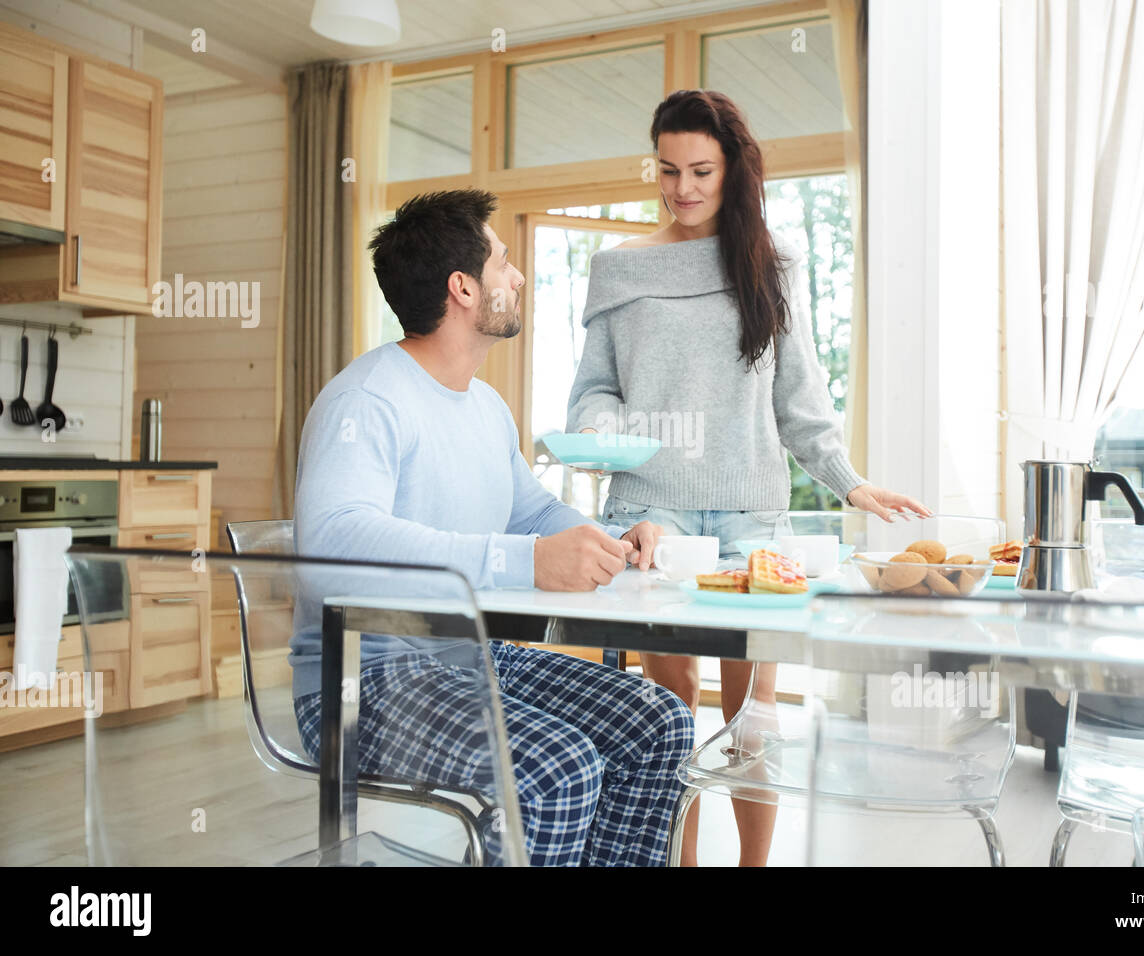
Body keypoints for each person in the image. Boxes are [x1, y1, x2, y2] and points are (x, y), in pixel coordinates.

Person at [567, 89, 930, 866]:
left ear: (733, 168)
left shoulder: (771, 263)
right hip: (650, 513)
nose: (683, 188)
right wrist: (600, 430)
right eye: (668, 171)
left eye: (701, 170)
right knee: (666, 721)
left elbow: (796, 396)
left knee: (753, 724)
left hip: (752, 519)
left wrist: (848, 481)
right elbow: (594, 388)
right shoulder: (618, 270)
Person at [289, 188, 694, 866]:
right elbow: (332, 544)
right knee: (559, 770)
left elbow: (529, 513)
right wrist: (522, 561)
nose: (518, 276)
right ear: (463, 288)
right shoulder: (366, 401)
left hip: (474, 655)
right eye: (503, 261)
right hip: (367, 681)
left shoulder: (485, 406)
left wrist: (610, 538)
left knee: (659, 724)